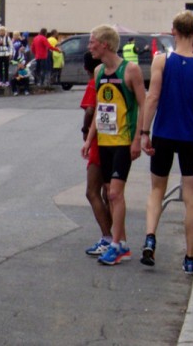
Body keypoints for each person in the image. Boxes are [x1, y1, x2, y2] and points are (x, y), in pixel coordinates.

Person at [139, 11, 193, 274]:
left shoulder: (161, 61)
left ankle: (151, 237)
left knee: (157, 190)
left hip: (164, 133)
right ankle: (189, 258)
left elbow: (152, 98)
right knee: (191, 197)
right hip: (190, 137)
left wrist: (145, 131)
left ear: (173, 31)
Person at [81, 24, 146, 266]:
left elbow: (144, 103)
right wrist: (89, 139)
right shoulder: (98, 71)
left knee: (116, 194)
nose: (89, 47)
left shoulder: (130, 70)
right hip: (105, 142)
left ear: (105, 44)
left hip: (123, 141)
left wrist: (139, 137)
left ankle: (118, 245)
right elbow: (100, 107)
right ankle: (122, 242)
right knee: (110, 194)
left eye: (92, 42)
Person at [81, 51, 112, 256]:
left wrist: (85, 132)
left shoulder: (94, 82)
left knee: (92, 191)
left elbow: (91, 110)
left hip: (99, 141)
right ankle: (115, 236)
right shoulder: (111, 79)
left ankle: (107, 236)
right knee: (109, 192)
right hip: (114, 138)